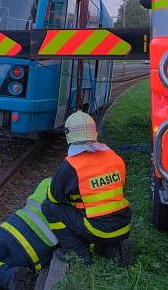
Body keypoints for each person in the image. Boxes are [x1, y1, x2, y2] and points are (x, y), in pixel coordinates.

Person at [42, 110, 133, 267]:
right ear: (94, 132)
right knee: (98, 220)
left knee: (48, 207)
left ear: (68, 135)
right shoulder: (113, 156)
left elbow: (54, 198)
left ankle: (78, 252)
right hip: (123, 225)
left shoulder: (71, 165)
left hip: (97, 229)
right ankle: (112, 249)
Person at [0, 178, 58, 290]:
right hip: (35, 254)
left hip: (12, 232)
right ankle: (12, 278)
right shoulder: (80, 200)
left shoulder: (49, 181)